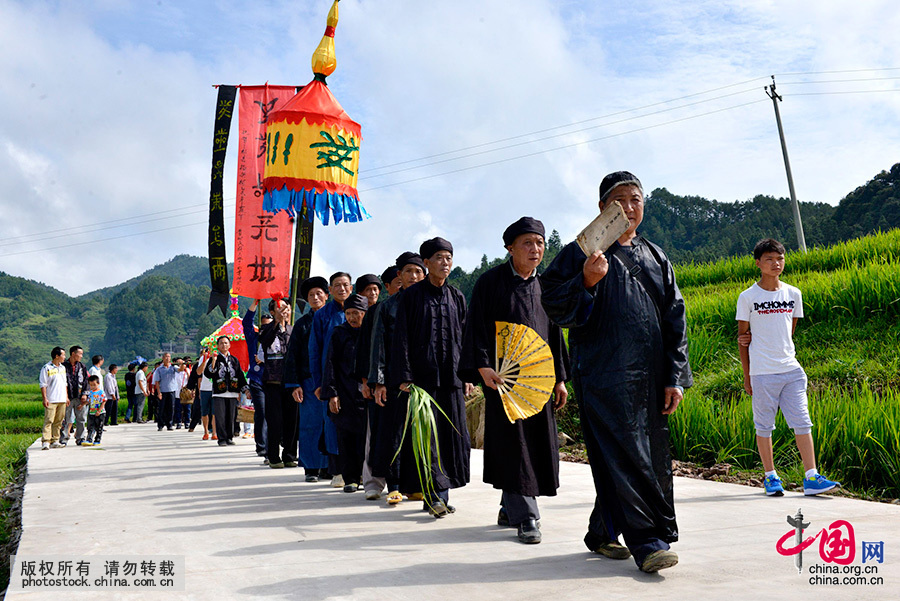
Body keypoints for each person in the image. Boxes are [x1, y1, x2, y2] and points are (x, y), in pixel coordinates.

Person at [541, 171, 692, 573]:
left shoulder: (657, 257)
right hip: (603, 375)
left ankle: (602, 531)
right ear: (603, 207)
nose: (629, 207)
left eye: (636, 199)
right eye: (619, 200)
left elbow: (675, 320)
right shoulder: (581, 252)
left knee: (643, 456)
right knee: (629, 455)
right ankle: (648, 543)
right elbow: (552, 301)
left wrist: (674, 376)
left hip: (650, 377)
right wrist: (586, 282)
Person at [459, 217, 570, 544]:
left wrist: (560, 378)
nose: (535, 249)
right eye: (527, 243)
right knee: (514, 446)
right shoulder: (490, 282)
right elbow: (475, 328)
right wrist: (482, 367)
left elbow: (554, 335)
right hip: (502, 380)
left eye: (539, 243)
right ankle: (527, 517)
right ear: (510, 248)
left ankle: (510, 508)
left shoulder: (545, 285)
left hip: (536, 384)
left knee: (534, 445)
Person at [737, 238, 840, 497]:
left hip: (791, 370)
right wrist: (747, 376)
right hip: (762, 372)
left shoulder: (793, 294)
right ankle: (771, 477)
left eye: (780, 258)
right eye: (770, 259)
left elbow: (789, 332)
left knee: (802, 421)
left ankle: (811, 477)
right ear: (758, 263)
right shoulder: (747, 297)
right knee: (764, 426)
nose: (776, 263)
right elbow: (743, 339)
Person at [391, 238, 472, 518]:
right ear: (426, 264)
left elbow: (465, 339)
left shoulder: (457, 297)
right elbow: (401, 338)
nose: (445, 262)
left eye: (449, 257)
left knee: (451, 438)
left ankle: (442, 493)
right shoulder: (411, 297)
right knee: (428, 439)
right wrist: (404, 376)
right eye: (439, 257)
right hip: (422, 383)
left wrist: (468, 375)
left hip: (452, 380)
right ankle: (433, 496)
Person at [369, 252, 425, 505]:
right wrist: (379, 382)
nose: (413, 276)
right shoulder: (387, 306)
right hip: (394, 380)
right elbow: (378, 346)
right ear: (399, 276)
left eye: (418, 271)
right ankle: (395, 485)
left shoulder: (430, 301)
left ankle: (417, 485)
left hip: (425, 380)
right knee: (395, 433)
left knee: (421, 433)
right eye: (408, 272)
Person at [309, 272, 354, 486]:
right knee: (333, 423)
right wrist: (319, 383)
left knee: (357, 424)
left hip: (355, 377)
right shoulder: (322, 315)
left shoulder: (361, 310)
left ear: (351, 288)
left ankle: (357, 470)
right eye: (337, 285)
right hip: (332, 378)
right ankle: (337, 471)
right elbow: (315, 350)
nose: (342, 289)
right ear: (330, 290)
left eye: (345, 285)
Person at [322, 294, 370, 493]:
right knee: (346, 437)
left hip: (367, 394)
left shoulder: (371, 332)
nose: (352, 318)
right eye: (348, 313)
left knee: (366, 438)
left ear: (365, 314)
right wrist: (332, 393)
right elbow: (330, 364)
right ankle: (350, 478)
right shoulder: (339, 333)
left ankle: (364, 476)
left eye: (356, 313)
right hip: (345, 393)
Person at [285, 276, 330, 481]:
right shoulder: (302, 324)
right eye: (311, 295)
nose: (315, 297)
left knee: (331, 423)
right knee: (310, 424)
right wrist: (295, 384)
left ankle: (331, 466)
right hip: (309, 381)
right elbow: (292, 355)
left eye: (318, 293)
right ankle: (311, 467)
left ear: (326, 295)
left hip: (332, 380)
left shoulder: (337, 318)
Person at [353, 271, 389, 500]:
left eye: (376, 290)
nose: (373, 294)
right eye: (368, 290)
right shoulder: (372, 315)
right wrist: (366, 382)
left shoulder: (394, 308)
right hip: (375, 383)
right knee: (372, 434)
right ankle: (371, 482)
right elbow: (365, 352)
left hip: (396, 383)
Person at [258, 298, 298, 468]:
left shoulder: (293, 330)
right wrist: (276, 323)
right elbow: (265, 341)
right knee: (275, 420)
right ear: (273, 312)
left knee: (292, 420)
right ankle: (273, 456)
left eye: (287, 308)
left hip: (291, 382)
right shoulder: (266, 329)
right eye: (280, 309)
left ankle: (289, 455)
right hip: (272, 382)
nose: (284, 312)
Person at [204, 336, 249, 446]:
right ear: (218, 346)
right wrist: (213, 361)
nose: (224, 345)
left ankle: (229, 437)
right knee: (220, 416)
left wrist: (245, 390)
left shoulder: (234, 360)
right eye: (221, 343)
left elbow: (240, 375)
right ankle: (222, 438)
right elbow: (209, 374)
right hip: (219, 392)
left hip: (232, 392)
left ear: (229, 345)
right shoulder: (214, 359)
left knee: (231, 417)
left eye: (226, 343)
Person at [243, 301, 273, 457]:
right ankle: (261, 446)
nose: (265, 328)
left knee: (271, 413)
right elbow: (246, 323)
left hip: (273, 379)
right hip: (256, 380)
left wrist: (266, 360)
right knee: (261, 411)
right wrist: (254, 303)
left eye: (268, 325)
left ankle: (271, 445)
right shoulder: (253, 339)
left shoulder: (277, 338)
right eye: (262, 325)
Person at [40, 347, 69, 450]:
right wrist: (45, 398)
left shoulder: (62, 368)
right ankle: (46, 441)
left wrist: (66, 397)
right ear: (57, 356)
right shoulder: (46, 368)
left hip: (62, 399)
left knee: (59, 421)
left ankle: (55, 440)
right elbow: (43, 384)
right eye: (63, 355)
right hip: (51, 399)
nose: (64, 357)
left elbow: (65, 383)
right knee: (49, 420)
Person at [60, 345, 89, 446]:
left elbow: (86, 381)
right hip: (67, 397)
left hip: (80, 396)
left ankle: (80, 438)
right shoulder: (63, 366)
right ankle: (64, 438)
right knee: (66, 418)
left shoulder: (82, 366)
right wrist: (65, 396)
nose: (81, 356)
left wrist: (85, 394)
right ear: (73, 354)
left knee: (81, 419)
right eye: (80, 354)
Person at [154, 353, 186, 431]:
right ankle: (160, 424)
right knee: (162, 408)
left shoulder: (173, 367)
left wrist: (182, 364)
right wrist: (159, 392)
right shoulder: (159, 369)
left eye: (169, 357)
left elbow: (180, 370)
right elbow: (157, 382)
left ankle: (169, 424)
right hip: (163, 391)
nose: (167, 358)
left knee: (171, 408)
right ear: (163, 358)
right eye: (166, 357)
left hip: (171, 390)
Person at [194, 351, 217, 440]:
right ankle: (206, 431)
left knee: (215, 412)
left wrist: (214, 360)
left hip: (215, 389)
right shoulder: (203, 358)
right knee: (204, 412)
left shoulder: (217, 358)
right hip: (205, 389)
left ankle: (214, 432)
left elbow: (214, 371)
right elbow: (199, 372)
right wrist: (205, 360)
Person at [83, 375, 106, 446]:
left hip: (100, 413)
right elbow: (89, 401)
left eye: (94, 385)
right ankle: (89, 439)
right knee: (90, 426)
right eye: (91, 385)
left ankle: (97, 439)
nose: (92, 386)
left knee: (99, 427)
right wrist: (82, 405)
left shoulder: (101, 392)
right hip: (91, 412)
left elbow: (104, 401)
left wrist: (99, 411)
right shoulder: (91, 393)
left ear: (98, 383)